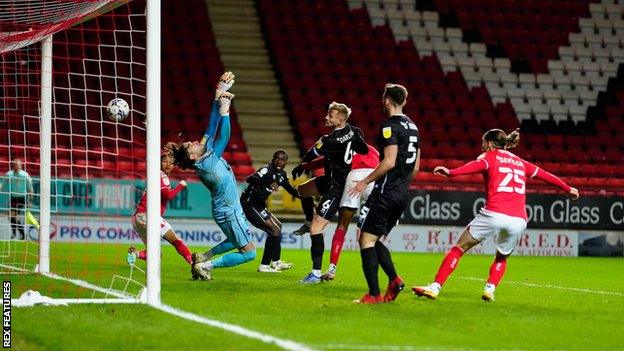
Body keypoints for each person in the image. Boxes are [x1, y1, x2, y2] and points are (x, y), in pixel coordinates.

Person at [412, 128, 579, 302]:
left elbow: (473, 166)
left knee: (459, 248)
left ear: (490, 143)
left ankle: (435, 287)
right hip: (518, 219)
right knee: (502, 257)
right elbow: (545, 175)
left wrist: (451, 172)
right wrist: (568, 188)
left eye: (484, 143)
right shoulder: (520, 162)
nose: (482, 147)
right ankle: (490, 289)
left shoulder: (489, 157)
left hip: (494, 213)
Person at [168, 71, 256, 281]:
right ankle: (207, 265)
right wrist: (225, 111)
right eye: (192, 144)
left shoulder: (202, 154)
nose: (196, 142)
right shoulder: (207, 163)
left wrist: (219, 93)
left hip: (228, 209)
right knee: (249, 253)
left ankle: (202, 256)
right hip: (228, 211)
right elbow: (223, 136)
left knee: (235, 241)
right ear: (192, 155)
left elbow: (212, 125)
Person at [350, 83, 420, 304]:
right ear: (404, 101)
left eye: (383, 97)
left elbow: (389, 161)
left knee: (366, 239)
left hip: (386, 193)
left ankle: (373, 294)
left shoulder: (389, 126)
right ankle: (395, 280)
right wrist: (401, 184)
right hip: (402, 193)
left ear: (387, 100)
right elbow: (416, 167)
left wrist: (364, 181)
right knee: (374, 237)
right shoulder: (414, 127)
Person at [292, 102, 369, 284]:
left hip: (336, 187)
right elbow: (364, 149)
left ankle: (316, 274)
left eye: (330, 115)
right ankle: (308, 220)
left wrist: (306, 162)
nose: (327, 118)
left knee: (316, 229)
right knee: (302, 190)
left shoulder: (329, 140)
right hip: (330, 179)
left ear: (340, 119)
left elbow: (310, 154)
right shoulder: (355, 131)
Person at [293, 144, 380, 281]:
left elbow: (330, 160)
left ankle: (324, 270)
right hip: (370, 179)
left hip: (346, 181)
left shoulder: (342, 144)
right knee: (302, 190)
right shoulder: (373, 150)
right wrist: (305, 166)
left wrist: (306, 165)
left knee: (331, 226)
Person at [127, 152, 191, 266]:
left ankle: (134, 254)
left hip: (137, 219)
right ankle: (194, 264)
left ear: (174, 165)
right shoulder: (162, 176)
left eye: (171, 163)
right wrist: (181, 185)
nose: (168, 164)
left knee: (156, 254)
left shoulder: (156, 175)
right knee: (177, 241)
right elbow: (169, 195)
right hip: (149, 216)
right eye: (165, 161)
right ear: (160, 163)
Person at [240, 149, 300, 273]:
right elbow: (249, 179)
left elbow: (291, 190)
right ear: (273, 159)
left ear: (286, 162)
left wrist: (307, 194)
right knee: (275, 231)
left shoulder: (282, 175)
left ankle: (276, 262)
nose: (279, 161)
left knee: (278, 226)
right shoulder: (266, 170)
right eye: (277, 158)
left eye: (282, 159)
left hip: (259, 205)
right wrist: (269, 181)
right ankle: (264, 265)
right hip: (250, 204)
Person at [0, 159, 35, 240]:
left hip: (22, 198)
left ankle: (18, 233)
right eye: (16, 165)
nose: (17, 166)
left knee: (14, 216)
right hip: (13, 198)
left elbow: (30, 189)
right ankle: (18, 233)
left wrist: (30, 200)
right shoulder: (9, 174)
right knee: (11, 216)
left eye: (19, 165)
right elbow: (2, 183)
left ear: (21, 166)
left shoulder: (25, 175)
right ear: (13, 166)